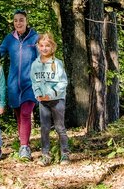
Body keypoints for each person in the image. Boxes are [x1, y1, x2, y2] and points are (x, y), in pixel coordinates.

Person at [0, 9, 38, 160]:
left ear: (26, 21)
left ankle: (24, 147)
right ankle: (23, 143)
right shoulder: (9, 39)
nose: (18, 23)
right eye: (15, 20)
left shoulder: (35, 38)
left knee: (26, 113)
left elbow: (43, 57)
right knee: (20, 116)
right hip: (14, 85)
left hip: (30, 84)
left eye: (21, 20)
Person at [30, 32, 70, 165]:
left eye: (47, 46)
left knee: (60, 127)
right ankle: (45, 155)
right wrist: (38, 94)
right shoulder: (35, 65)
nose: (44, 48)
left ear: (52, 47)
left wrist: (51, 94)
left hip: (57, 100)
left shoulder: (57, 63)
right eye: (41, 45)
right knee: (44, 128)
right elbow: (34, 82)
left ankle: (65, 154)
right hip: (43, 102)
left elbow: (63, 82)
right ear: (38, 46)